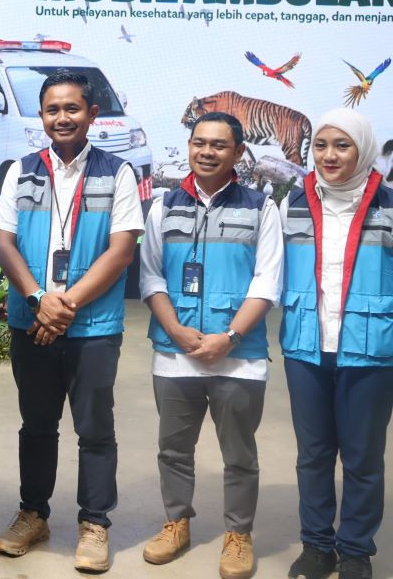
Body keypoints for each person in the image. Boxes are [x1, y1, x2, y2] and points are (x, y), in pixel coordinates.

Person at [0, 70, 143, 573]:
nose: (62, 118)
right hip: (30, 320)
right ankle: (32, 514)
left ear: (92, 114)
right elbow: (6, 244)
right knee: (36, 425)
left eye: (72, 109)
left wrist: (64, 305)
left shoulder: (117, 172)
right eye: (52, 109)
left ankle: (95, 522)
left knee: (95, 429)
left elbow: (121, 252)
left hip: (93, 327)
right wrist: (38, 298)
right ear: (41, 116)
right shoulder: (21, 170)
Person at [138, 112, 281, 579]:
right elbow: (151, 275)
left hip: (239, 356)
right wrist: (176, 330)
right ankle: (176, 522)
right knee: (173, 449)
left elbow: (267, 281)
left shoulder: (262, 208)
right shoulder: (163, 205)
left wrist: (230, 337)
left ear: (239, 153)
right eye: (199, 142)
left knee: (239, 453)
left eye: (219, 145)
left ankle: (238, 535)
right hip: (174, 352)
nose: (206, 151)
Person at [281, 109, 393, 579]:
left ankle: (355, 551)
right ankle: (317, 545)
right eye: (321, 144)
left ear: (363, 149)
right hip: (306, 346)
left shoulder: (388, 204)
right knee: (313, 454)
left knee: (363, 457)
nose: (328, 155)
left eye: (342, 145)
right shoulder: (295, 201)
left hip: (370, 349)